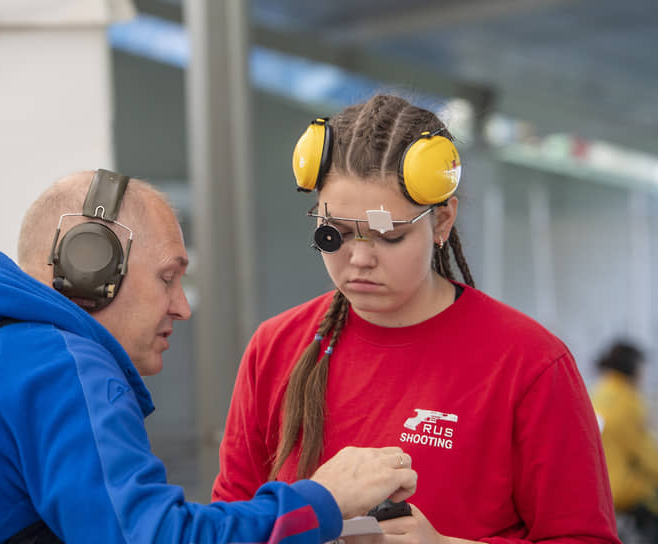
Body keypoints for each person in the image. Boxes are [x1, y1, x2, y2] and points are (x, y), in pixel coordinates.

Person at [0, 169, 418, 543]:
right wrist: (324, 499)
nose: (182, 307)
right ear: (90, 269)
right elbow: (150, 537)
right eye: (169, 278)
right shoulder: (56, 366)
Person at [211, 94, 621, 544]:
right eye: (337, 233)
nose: (360, 258)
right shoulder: (277, 348)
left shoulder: (529, 364)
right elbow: (230, 523)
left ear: (442, 221)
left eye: (390, 236)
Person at [590, 340, 658, 544]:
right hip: (624, 488)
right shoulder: (628, 401)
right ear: (632, 367)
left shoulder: (597, 394)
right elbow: (647, 456)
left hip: (598, 487)